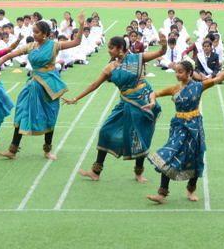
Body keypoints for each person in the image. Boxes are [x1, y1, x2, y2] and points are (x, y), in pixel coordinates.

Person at [63, 35, 167, 182]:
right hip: (125, 103)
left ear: (120, 49)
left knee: (140, 137)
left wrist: (164, 44)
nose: (109, 51)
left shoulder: (137, 58)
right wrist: (76, 98)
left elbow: (161, 53)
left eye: (111, 48)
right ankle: (96, 171)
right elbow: (94, 85)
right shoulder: (110, 67)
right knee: (105, 131)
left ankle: (138, 173)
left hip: (143, 102)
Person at [145, 57, 224, 204]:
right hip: (178, 126)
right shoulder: (174, 89)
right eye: (176, 72)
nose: (177, 74)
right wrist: (152, 102)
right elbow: (154, 93)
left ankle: (191, 189)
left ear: (189, 73)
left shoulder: (199, 86)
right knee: (169, 154)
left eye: (180, 72)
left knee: (195, 155)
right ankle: (162, 193)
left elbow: (220, 77)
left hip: (194, 126)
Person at [0, 13, 85, 160]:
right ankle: (13, 150)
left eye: (37, 32)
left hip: (49, 86)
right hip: (33, 85)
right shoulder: (31, 46)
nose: (34, 35)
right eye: (33, 32)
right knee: (22, 112)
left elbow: (76, 42)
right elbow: (10, 55)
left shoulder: (54, 45)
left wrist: (81, 25)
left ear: (46, 34)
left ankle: (47, 150)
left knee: (49, 115)